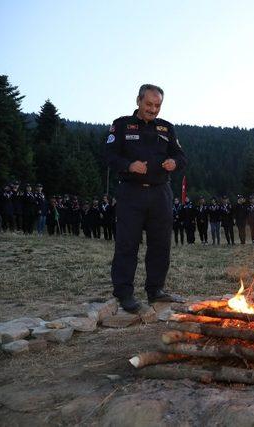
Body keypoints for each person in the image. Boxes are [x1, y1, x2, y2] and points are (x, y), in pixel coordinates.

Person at [105, 83, 187, 313]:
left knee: (161, 244)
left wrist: (175, 163)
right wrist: (129, 165)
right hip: (131, 192)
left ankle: (156, 290)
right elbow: (109, 155)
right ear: (138, 101)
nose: (153, 109)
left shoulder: (166, 128)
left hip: (161, 192)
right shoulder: (121, 125)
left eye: (157, 105)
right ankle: (124, 293)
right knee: (127, 243)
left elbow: (181, 156)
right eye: (149, 104)